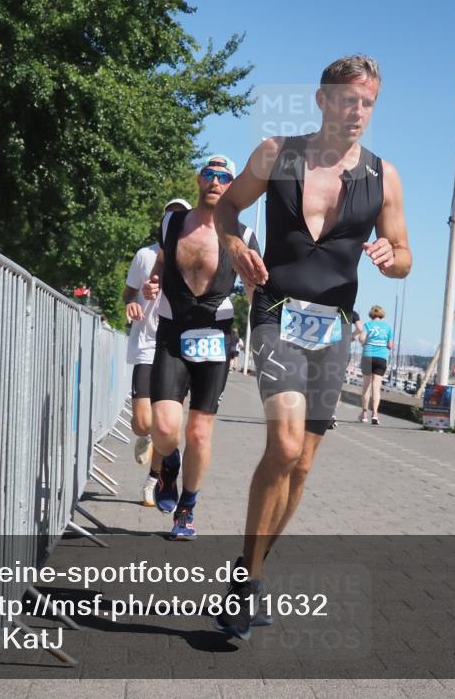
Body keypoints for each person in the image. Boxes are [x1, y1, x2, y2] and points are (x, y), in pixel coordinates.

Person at [213, 54, 411, 638]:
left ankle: (250, 571)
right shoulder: (277, 153)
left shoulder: (383, 177)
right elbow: (228, 206)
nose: (357, 112)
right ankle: (245, 584)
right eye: (348, 99)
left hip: (333, 328)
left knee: (301, 466)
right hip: (276, 311)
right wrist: (232, 245)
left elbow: (403, 254)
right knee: (284, 441)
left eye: (368, 102)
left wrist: (389, 258)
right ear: (322, 100)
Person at [142, 155, 259, 540]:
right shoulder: (173, 222)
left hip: (215, 336)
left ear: (232, 185)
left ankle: (187, 508)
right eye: (209, 174)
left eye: (224, 177)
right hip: (173, 333)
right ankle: (168, 467)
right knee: (163, 427)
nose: (215, 182)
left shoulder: (243, 234)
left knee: (199, 434)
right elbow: (161, 258)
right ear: (199, 179)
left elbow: (258, 285)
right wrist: (153, 282)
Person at [122, 198, 193, 507]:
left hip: (176, 349)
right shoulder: (144, 256)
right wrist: (133, 301)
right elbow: (127, 292)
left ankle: (154, 480)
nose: (175, 221)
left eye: (181, 216)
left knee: (168, 422)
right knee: (142, 422)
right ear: (162, 221)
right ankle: (149, 437)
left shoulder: (194, 257)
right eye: (170, 215)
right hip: (146, 344)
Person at [358, 304, 393, 425]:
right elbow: (390, 346)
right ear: (382, 314)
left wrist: (365, 344)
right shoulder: (388, 327)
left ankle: (364, 414)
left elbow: (361, 338)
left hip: (368, 356)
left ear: (371, 314)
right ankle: (375, 414)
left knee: (366, 385)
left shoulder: (367, 325)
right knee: (376, 387)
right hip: (381, 357)